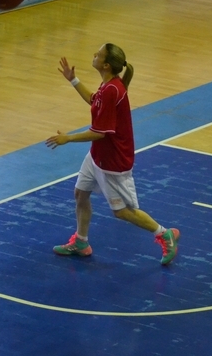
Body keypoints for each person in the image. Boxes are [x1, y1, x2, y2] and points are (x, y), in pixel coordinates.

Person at [45, 43, 180, 265]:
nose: (94, 55)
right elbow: (94, 100)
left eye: (98, 54)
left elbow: (99, 133)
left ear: (106, 65)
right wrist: (73, 80)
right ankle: (81, 242)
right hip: (97, 155)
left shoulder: (113, 90)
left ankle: (164, 234)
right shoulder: (108, 86)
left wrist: (68, 138)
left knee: (123, 211)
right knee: (80, 194)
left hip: (112, 161)